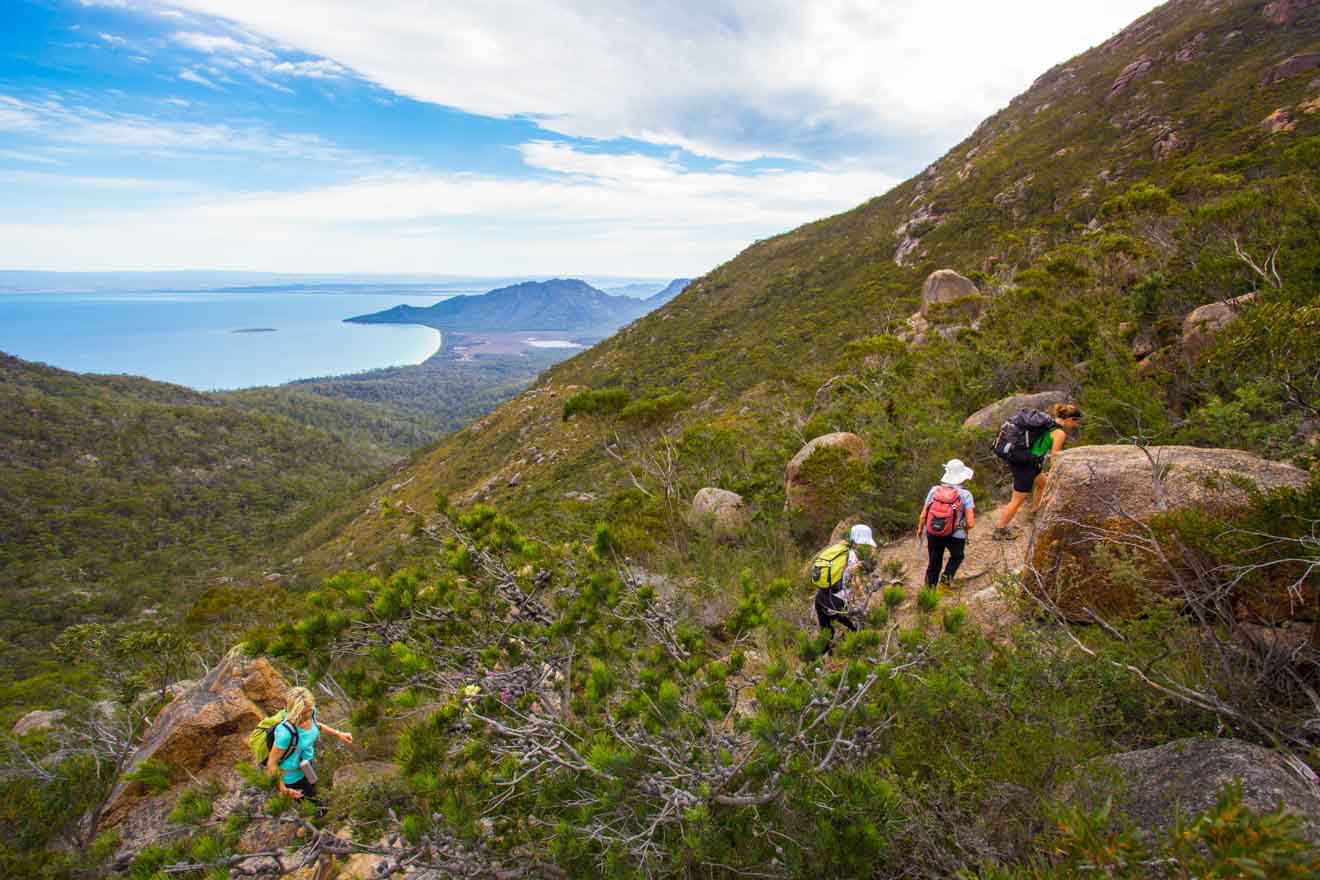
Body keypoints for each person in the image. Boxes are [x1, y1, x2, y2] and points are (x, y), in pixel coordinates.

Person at [994, 402, 1083, 540]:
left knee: (1043, 483)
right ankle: (1000, 530)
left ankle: (1035, 512)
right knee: (1017, 500)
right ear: (1070, 419)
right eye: (1075, 422)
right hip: (1026, 465)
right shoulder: (1059, 433)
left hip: (1026, 460)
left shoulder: (1046, 423)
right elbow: (1056, 457)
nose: (1075, 426)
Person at [266, 686, 353, 814]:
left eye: (309, 710)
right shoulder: (285, 733)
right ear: (296, 711)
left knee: (315, 791)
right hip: (292, 777)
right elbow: (271, 764)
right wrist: (283, 789)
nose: (308, 714)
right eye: (304, 712)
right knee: (315, 807)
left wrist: (338, 733)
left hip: (306, 765)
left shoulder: (310, 711)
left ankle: (323, 810)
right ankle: (320, 821)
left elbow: (316, 725)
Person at [813, 523, 878, 655]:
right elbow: (855, 581)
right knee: (859, 627)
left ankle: (819, 662)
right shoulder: (853, 557)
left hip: (821, 598)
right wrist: (863, 598)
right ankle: (850, 655)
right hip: (836, 602)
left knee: (826, 634)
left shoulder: (839, 549)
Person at [917, 459, 976, 586]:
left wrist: (920, 529)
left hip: (934, 532)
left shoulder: (934, 490)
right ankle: (946, 581)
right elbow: (971, 523)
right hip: (956, 535)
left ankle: (929, 594)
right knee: (957, 556)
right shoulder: (966, 494)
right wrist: (960, 527)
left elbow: (923, 515)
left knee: (934, 563)